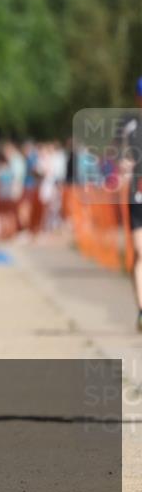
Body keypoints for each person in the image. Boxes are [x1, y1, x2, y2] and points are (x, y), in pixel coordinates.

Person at [118, 78, 142, 332]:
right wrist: (125, 165)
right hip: (137, 194)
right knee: (139, 251)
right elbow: (122, 156)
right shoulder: (129, 125)